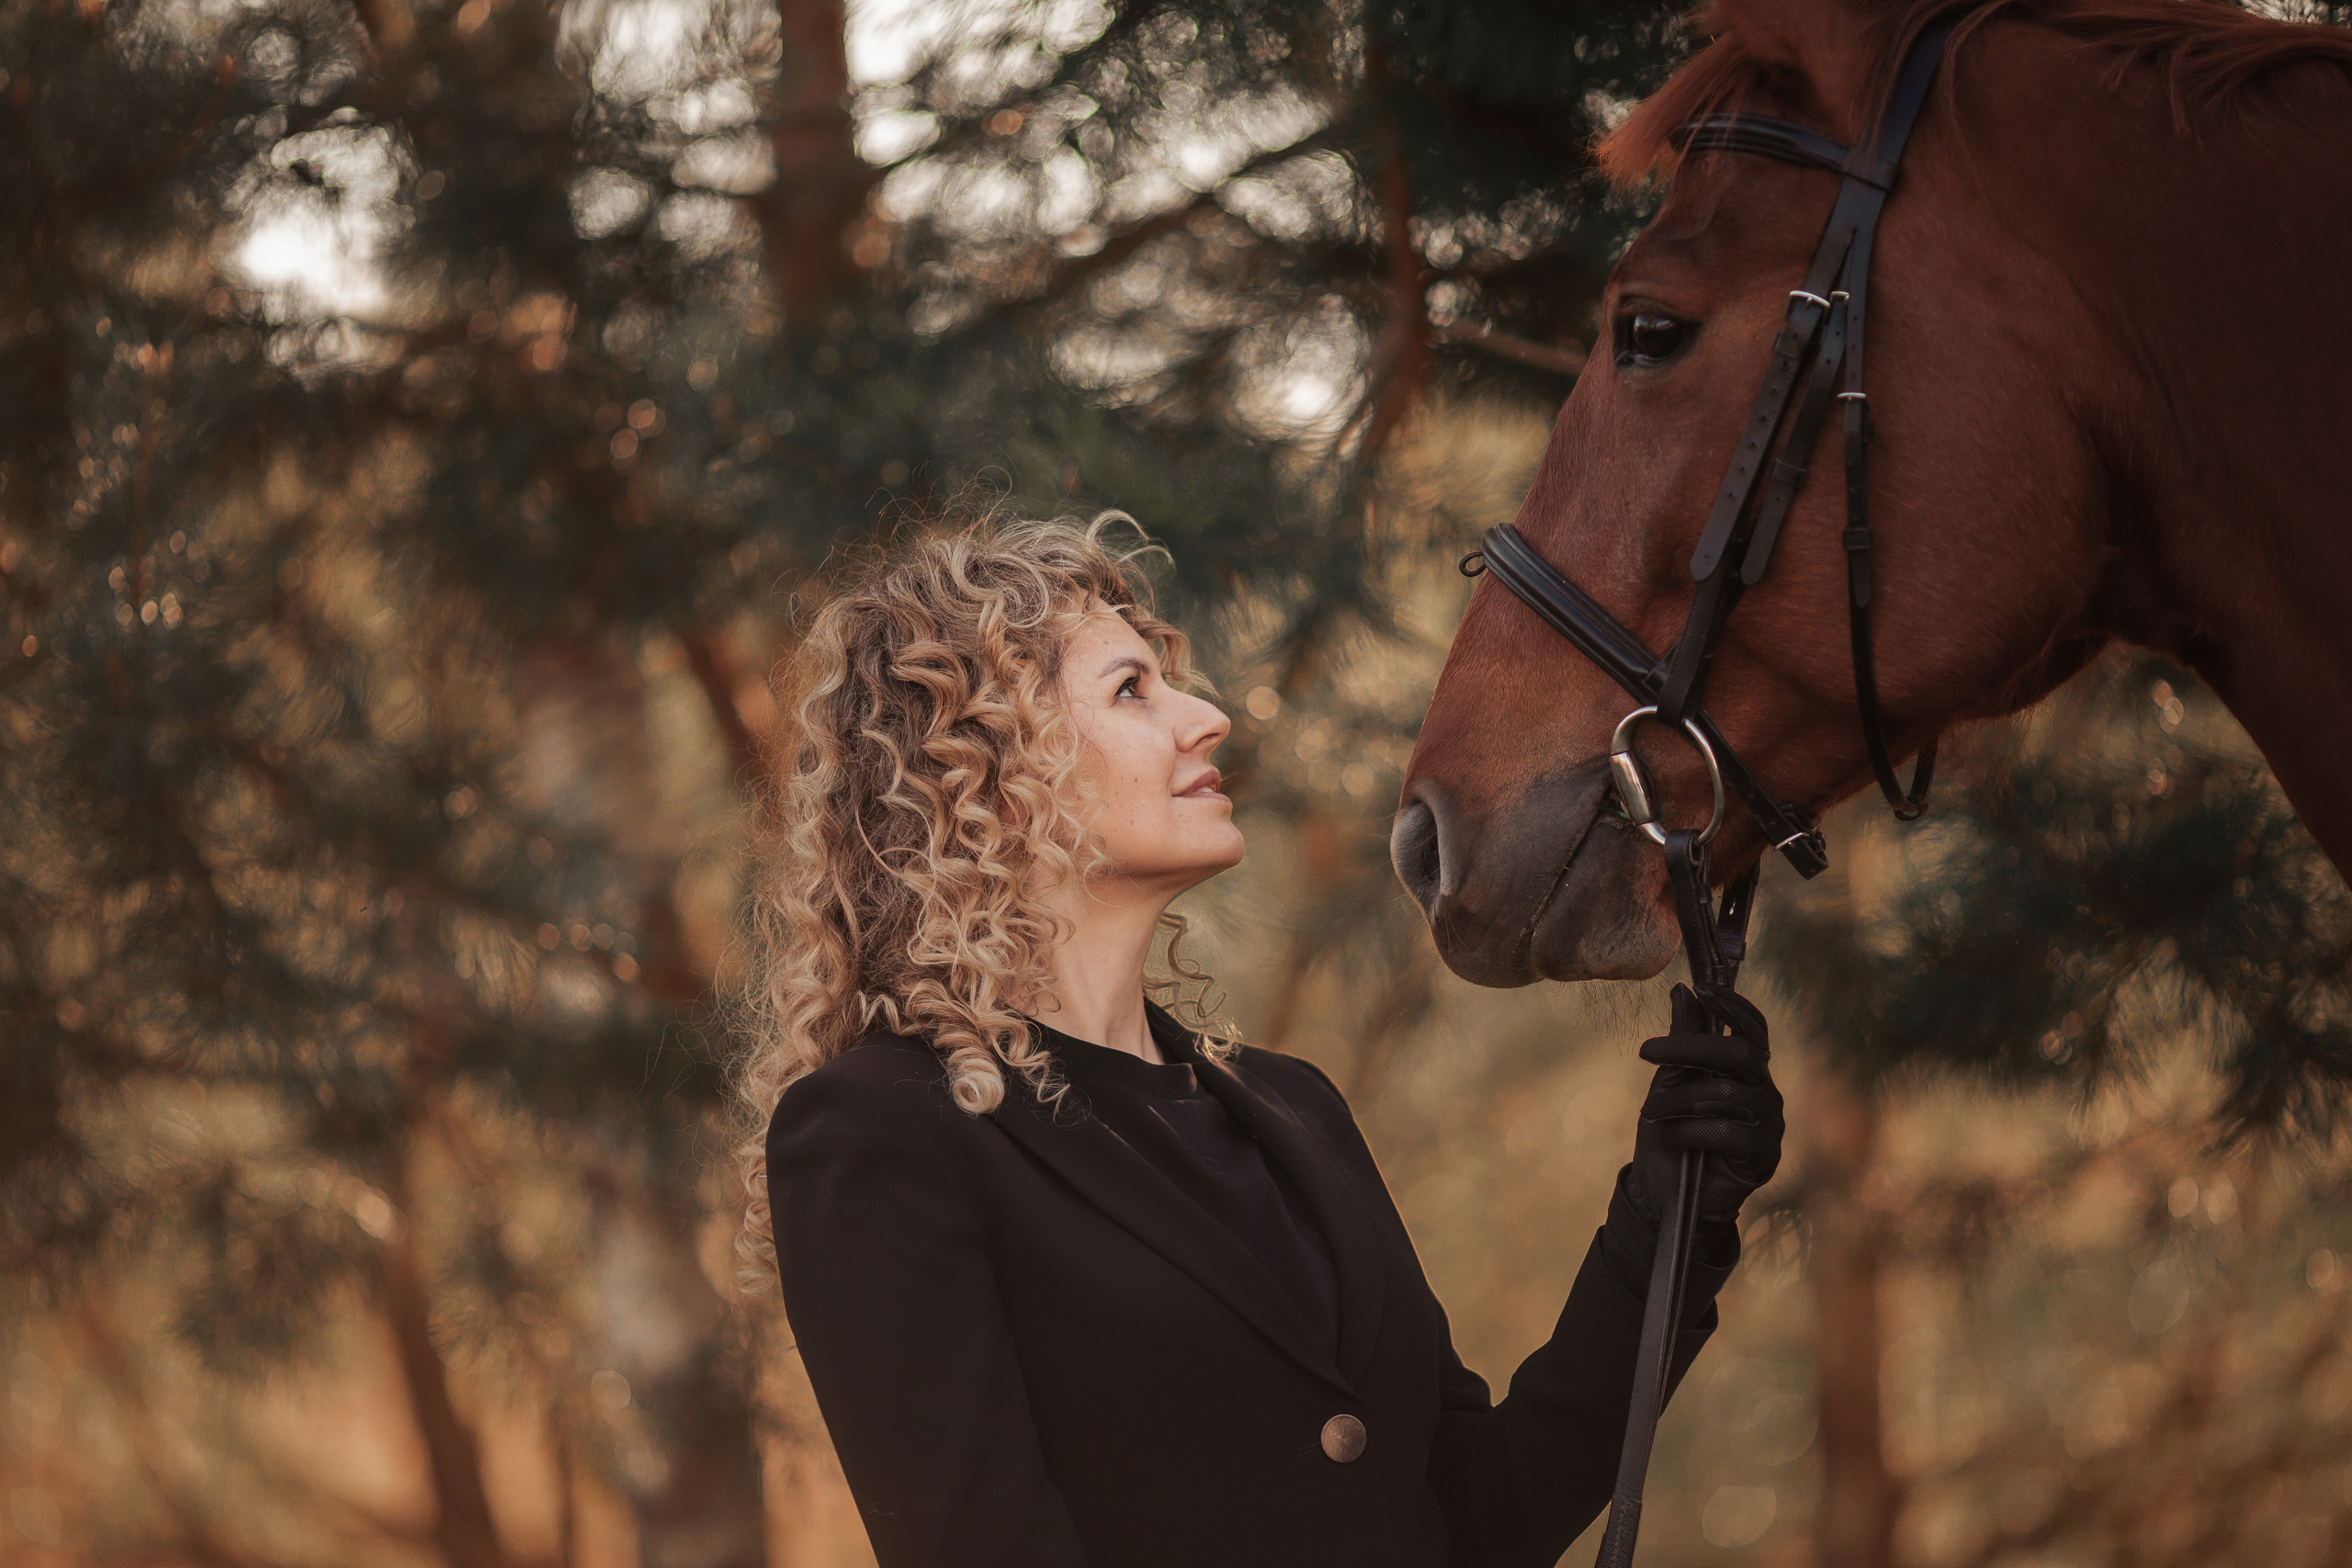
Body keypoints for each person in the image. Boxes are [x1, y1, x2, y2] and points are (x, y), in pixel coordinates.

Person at [733, 512, 1782, 1568]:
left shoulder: (1294, 1108)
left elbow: (1473, 1521)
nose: (1208, 717)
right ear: (989, 769)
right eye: (1131, 690)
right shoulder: (882, 1132)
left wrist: (1668, 1219)